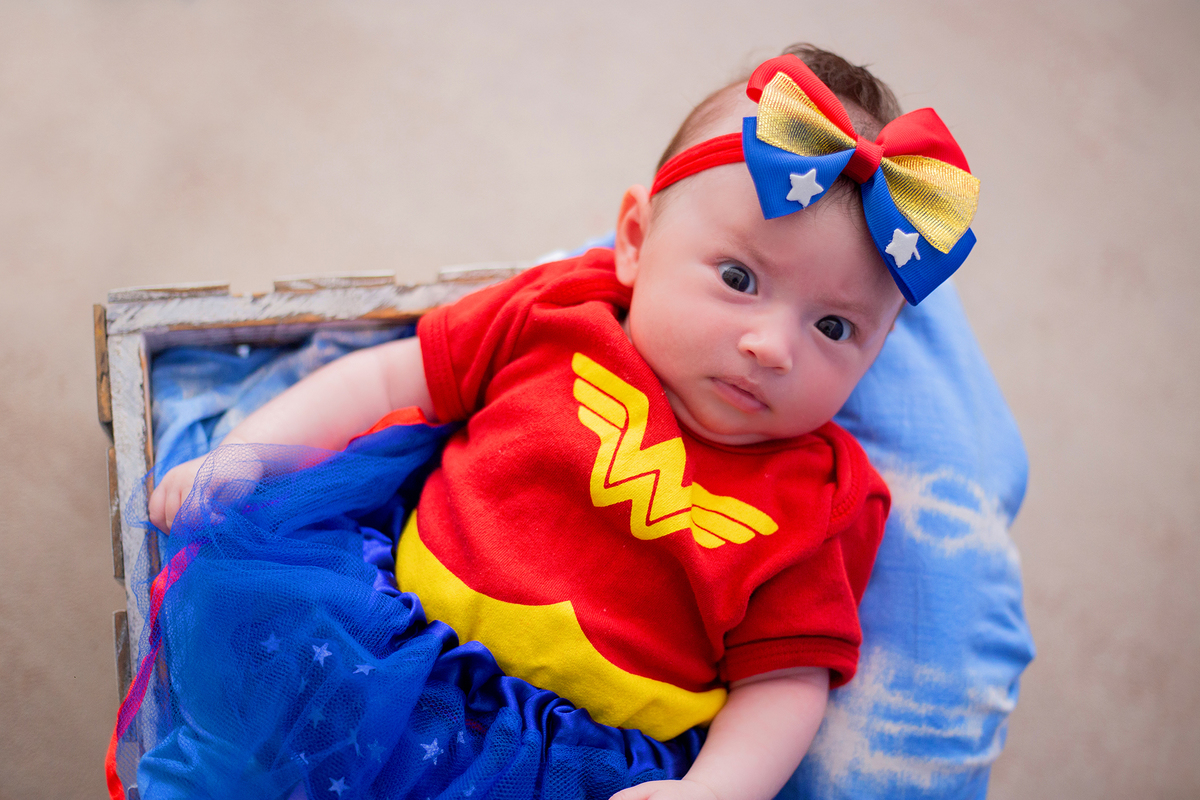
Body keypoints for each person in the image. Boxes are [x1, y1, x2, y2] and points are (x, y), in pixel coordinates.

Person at [147, 43, 979, 800]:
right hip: (380, 652)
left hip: (566, 767)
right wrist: (250, 451)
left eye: (834, 328)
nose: (771, 346)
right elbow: (395, 374)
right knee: (252, 747)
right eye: (738, 277)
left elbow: (789, 680)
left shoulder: (818, 498)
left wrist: (715, 790)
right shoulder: (562, 311)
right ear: (633, 242)